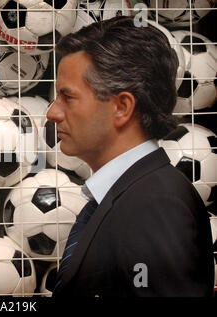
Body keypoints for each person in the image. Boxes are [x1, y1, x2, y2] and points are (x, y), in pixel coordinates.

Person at [47, 16, 214, 297]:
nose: (52, 112)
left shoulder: (156, 205)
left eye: (67, 97)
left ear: (122, 107)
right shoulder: (135, 193)